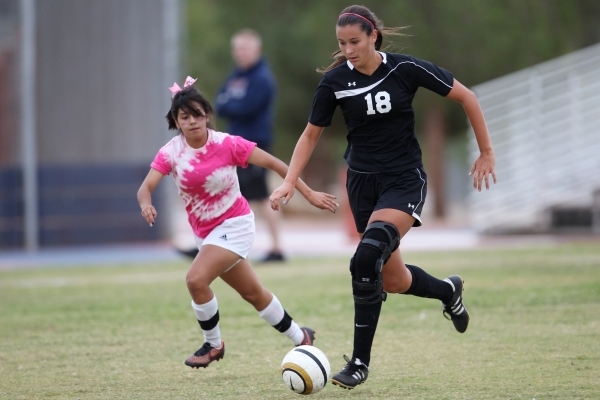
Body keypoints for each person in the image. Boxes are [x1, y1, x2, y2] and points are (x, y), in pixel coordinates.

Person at [269, 5, 496, 390]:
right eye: (341, 43)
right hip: (362, 185)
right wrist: (291, 181)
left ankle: (359, 363)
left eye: (354, 42)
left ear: (373, 35)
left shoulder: (405, 69)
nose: (348, 50)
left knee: (366, 259)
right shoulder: (335, 81)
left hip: (404, 180)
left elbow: (468, 98)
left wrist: (486, 151)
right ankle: (448, 291)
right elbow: (310, 135)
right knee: (392, 279)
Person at [137, 77, 338, 369]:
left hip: (235, 225)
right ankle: (301, 336)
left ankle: (213, 344)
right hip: (205, 234)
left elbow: (276, 164)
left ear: (207, 115)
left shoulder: (228, 144)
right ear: (176, 121)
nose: (192, 121)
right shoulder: (171, 152)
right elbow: (145, 188)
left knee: (195, 279)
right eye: (184, 117)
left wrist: (306, 193)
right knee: (253, 293)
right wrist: (146, 204)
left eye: (197, 114)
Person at [216, 28, 285, 263]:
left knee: (261, 195)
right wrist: (233, 104)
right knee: (233, 194)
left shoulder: (262, 78)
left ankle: (276, 248)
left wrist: (232, 104)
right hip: (233, 144)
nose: (240, 53)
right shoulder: (236, 76)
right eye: (236, 49)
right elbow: (220, 103)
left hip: (255, 143)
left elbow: (245, 108)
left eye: (244, 48)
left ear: (256, 50)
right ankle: (218, 244)